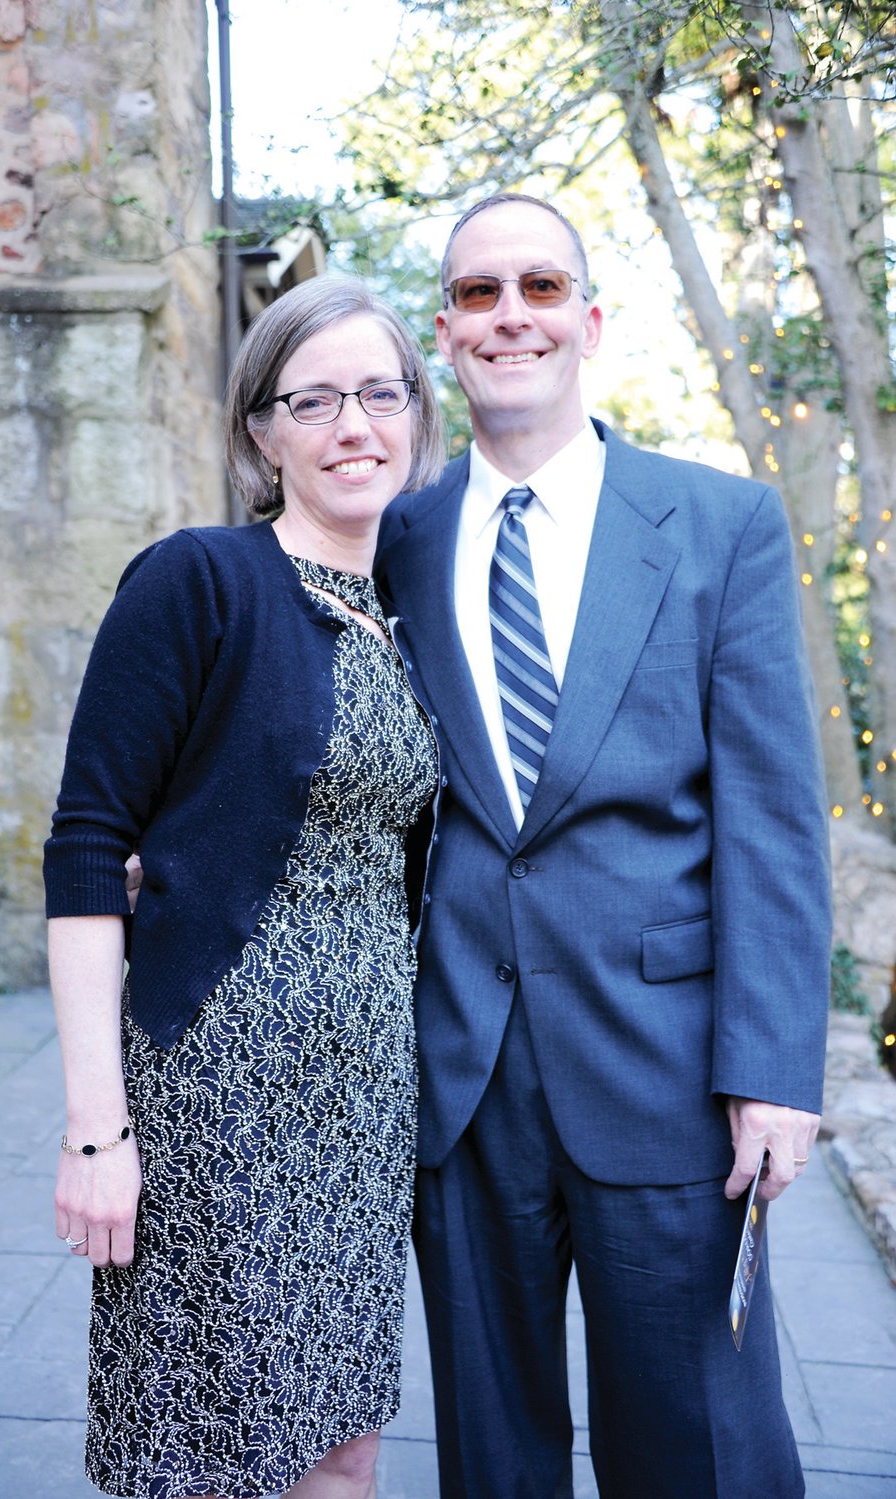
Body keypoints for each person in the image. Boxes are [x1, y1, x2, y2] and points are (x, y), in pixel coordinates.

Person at [374, 193, 831, 1499]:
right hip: (459, 1069)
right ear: (445, 333)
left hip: (668, 1065)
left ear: (588, 316)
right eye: (474, 293)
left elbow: (771, 818)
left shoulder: (717, 523)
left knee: (694, 1438)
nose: (506, 313)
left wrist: (774, 1068)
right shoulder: (396, 537)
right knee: (490, 1445)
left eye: (536, 284)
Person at [43, 274, 445, 1499]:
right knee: (208, 1453)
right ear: (261, 431)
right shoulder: (199, 581)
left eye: (379, 392)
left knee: (342, 1441)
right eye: (311, 400)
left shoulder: (405, 611)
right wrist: (95, 1129)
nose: (351, 425)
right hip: (215, 1097)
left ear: (419, 415)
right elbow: (83, 845)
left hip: (365, 1101)